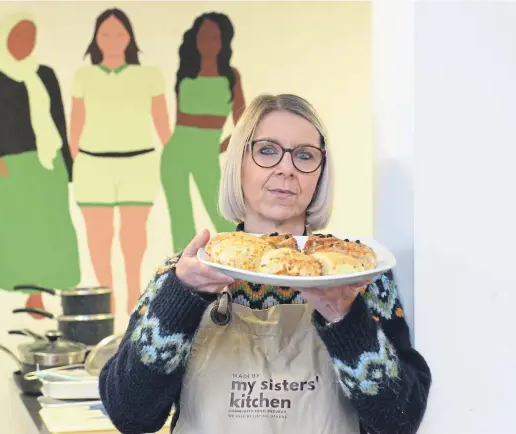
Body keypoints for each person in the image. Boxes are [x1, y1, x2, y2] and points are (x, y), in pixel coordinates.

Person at [99, 94, 431, 434]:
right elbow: (131, 415)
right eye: (267, 150)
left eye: (304, 155)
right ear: (238, 164)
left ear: (320, 174)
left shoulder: (361, 277)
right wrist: (180, 298)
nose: (286, 168)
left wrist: (344, 316)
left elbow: (399, 422)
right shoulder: (186, 273)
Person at [0, 12, 81, 318]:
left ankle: (43, 292)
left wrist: (68, 170)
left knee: (52, 231)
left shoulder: (43, 74)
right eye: (19, 35)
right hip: (7, 170)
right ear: (4, 37)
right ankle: (28, 293)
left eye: (31, 37)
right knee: (17, 232)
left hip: (47, 168)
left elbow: (58, 125)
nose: (26, 43)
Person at [70, 8, 171, 313]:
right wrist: (75, 161)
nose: (112, 40)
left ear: (130, 37)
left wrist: (171, 157)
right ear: (95, 39)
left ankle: (133, 301)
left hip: (138, 163)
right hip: (93, 164)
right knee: (99, 240)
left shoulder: (148, 75)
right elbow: (75, 124)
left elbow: (162, 122)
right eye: (105, 34)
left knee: (133, 238)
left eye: (119, 33)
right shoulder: (83, 75)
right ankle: (106, 302)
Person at [160, 12, 245, 254]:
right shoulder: (185, 73)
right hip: (176, 152)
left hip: (206, 153)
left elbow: (244, 121)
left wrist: (222, 145)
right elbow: (181, 119)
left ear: (223, 41)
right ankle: (181, 274)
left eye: (214, 37)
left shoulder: (231, 76)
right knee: (180, 219)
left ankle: (240, 265)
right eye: (203, 36)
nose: (207, 42)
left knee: (224, 216)